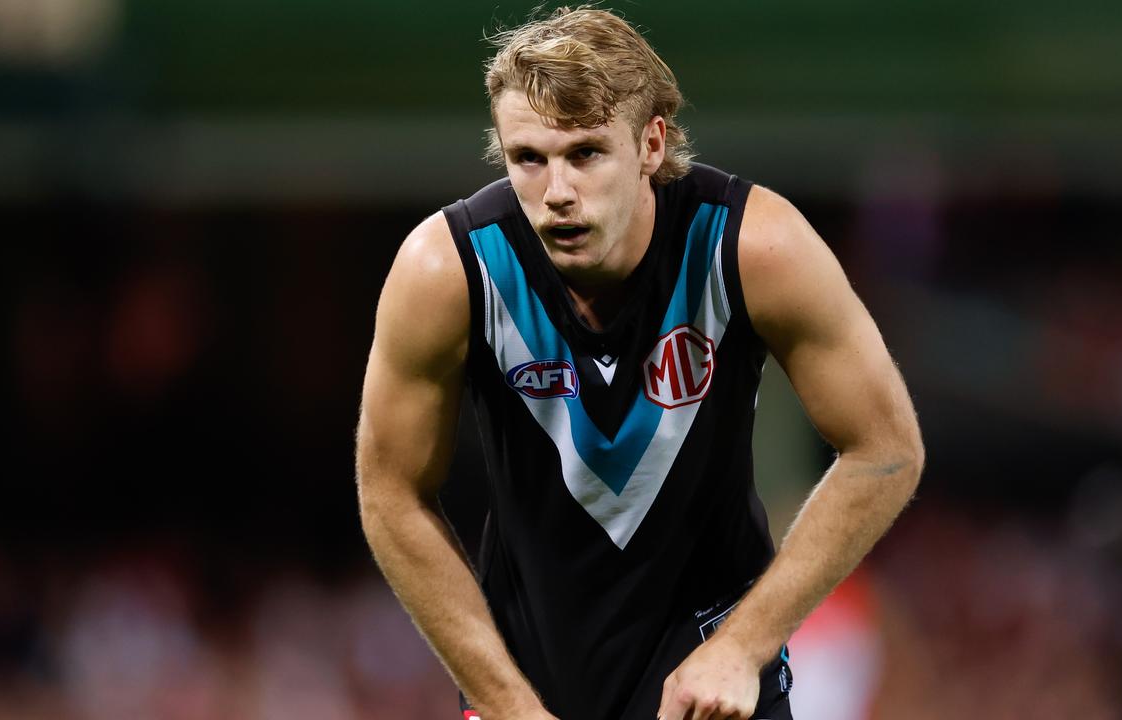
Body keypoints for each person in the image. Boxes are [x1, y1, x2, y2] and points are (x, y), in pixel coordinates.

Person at [355, 7, 923, 720]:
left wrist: (744, 646)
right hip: (529, 685)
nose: (556, 190)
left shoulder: (752, 246)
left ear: (652, 144)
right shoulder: (447, 270)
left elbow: (887, 447)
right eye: (528, 158)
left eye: (586, 153)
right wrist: (504, 702)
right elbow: (390, 492)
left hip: (710, 683)